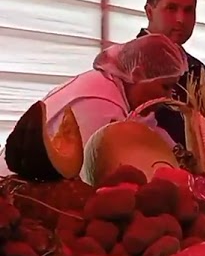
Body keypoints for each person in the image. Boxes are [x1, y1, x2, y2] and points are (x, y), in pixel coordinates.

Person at [0, 34, 187, 175]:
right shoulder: (100, 104)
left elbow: (150, 132)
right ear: (138, 74)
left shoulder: (119, 89)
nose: (169, 95)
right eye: (165, 86)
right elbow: (92, 172)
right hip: (20, 190)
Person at [137, 0, 205, 147]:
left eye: (188, 10)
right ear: (149, 12)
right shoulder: (129, 64)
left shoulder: (198, 71)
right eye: (171, 8)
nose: (181, 19)